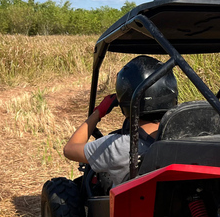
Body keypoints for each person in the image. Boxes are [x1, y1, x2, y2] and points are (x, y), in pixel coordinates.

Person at [63, 55, 178, 187]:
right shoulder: (186, 139)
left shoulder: (119, 147)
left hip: (134, 204)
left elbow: (69, 149)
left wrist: (97, 113)